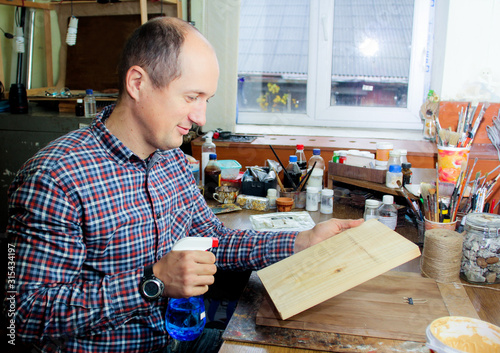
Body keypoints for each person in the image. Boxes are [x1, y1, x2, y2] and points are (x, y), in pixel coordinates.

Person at [4, 17, 363, 353]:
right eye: (191, 97)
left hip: (175, 338)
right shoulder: (55, 177)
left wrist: (302, 241)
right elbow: (21, 315)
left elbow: (214, 239)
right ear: (137, 83)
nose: (200, 118)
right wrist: (153, 281)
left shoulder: (170, 160)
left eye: (205, 100)